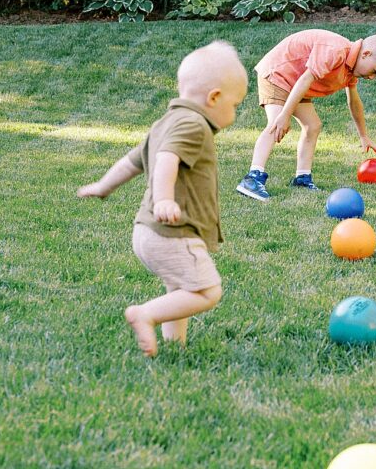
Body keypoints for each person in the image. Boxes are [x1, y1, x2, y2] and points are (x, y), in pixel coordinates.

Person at [77, 41, 248, 357]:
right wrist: (164, 200)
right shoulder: (193, 124)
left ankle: (174, 344)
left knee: (181, 287)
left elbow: (133, 161)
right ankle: (146, 314)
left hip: (147, 232)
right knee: (207, 291)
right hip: (173, 230)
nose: (234, 114)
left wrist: (103, 186)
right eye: (235, 105)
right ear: (214, 98)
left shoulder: (165, 122)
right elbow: (168, 158)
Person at [236, 29, 376, 201]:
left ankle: (302, 178)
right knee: (275, 123)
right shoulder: (335, 51)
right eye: (375, 71)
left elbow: (354, 102)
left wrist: (363, 135)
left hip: (295, 84)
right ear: (366, 54)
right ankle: (253, 177)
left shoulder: (352, 69)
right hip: (278, 74)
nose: (373, 77)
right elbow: (306, 79)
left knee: (312, 126)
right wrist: (285, 115)